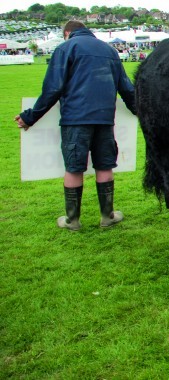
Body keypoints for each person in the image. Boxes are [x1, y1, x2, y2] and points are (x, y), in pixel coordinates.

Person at [15, 20, 137, 230]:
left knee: (73, 168)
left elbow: (53, 88)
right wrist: (140, 110)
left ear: (67, 33)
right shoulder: (109, 50)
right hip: (105, 119)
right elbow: (126, 87)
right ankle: (107, 216)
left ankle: (72, 220)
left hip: (75, 119)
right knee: (105, 165)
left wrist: (29, 117)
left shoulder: (65, 48)